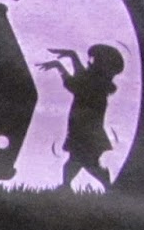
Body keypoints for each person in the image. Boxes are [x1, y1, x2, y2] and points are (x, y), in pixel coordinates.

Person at [38, 44, 126, 190]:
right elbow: (81, 76)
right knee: (78, 161)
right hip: (82, 130)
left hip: (86, 132)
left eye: (93, 59)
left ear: (101, 64)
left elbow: (74, 84)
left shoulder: (96, 84)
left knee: (86, 162)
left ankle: (105, 187)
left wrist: (61, 66)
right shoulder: (96, 81)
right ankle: (68, 186)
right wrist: (72, 56)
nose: (89, 62)